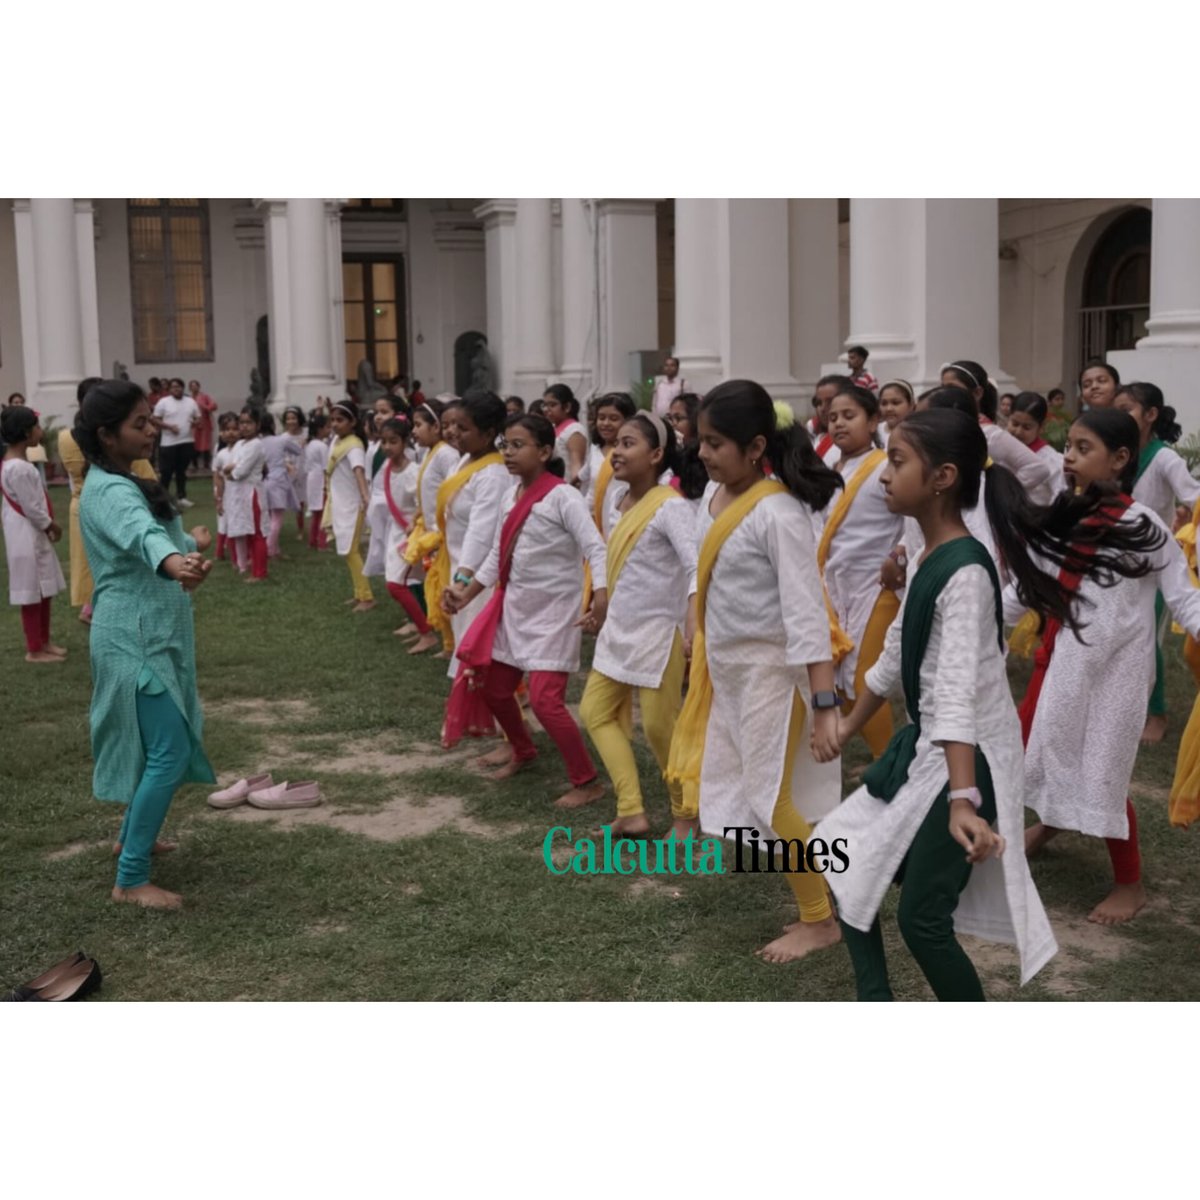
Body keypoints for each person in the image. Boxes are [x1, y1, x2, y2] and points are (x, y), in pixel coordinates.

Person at [814, 407, 1087, 999]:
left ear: (941, 478)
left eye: (897, 461)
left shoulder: (966, 574)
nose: (884, 475)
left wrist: (965, 801)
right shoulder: (928, 551)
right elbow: (895, 655)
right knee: (837, 858)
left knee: (921, 920)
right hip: (932, 748)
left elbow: (960, 693)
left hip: (966, 759)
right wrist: (848, 722)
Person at [667, 381, 844, 964]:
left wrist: (823, 707)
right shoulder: (711, 501)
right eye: (700, 441)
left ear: (756, 446)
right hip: (728, 672)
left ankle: (820, 920)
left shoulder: (779, 512)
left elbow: (806, 615)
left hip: (773, 673)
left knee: (772, 799)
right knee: (738, 782)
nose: (702, 454)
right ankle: (810, 884)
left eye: (716, 443)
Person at [1016, 408, 1200, 924]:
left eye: (1082, 448)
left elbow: (1183, 600)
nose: (1068, 458)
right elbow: (1032, 584)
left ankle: (1130, 884)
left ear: (1119, 459)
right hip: (1068, 666)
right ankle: (1052, 824)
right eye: (1068, 447)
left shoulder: (1146, 527)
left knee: (1105, 771)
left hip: (1119, 675)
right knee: (1052, 751)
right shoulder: (1066, 516)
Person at [75, 380, 216, 909]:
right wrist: (173, 561)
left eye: (151, 418)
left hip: (152, 633)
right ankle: (130, 878)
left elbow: (153, 536)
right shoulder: (109, 490)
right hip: (132, 639)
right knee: (168, 750)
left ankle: (135, 833)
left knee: (156, 743)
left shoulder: (127, 477)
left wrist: (189, 546)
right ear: (106, 435)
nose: (152, 429)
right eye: (140, 423)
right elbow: (139, 534)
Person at [443, 413, 608, 808]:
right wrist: (466, 593)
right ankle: (524, 749)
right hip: (514, 609)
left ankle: (587, 781)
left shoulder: (562, 496)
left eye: (518, 445)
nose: (509, 452)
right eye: (506, 445)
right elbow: (499, 554)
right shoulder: (509, 495)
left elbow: (596, 548)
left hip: (554, 615)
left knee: (547, 702)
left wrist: (600, 597)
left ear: (546, 451)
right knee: (497, 690)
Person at [581, 410, 696, 836]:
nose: (616, 452)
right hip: (619, 632)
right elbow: (622, 566)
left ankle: (686, 812)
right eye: (616, 444)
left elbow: (696, 567)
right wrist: (602, 607)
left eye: (628, 443)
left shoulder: (671, 508)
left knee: (660, 726)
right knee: (594, 712)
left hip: (657, 634)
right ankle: (631, 809)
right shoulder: (618, 501)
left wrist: (692, 621)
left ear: (657, 454)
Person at [819, 384, 904, 758]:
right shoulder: (827, 468)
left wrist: (899, 553)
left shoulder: (887, 466)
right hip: (835, 586)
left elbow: (914, 518)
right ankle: (879, 760)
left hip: (876, 586)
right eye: (833, 416)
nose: (838, 423)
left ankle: (889, 766)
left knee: (863, 679)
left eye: (849, 416)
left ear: (873, 421)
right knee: (842, 683)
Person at [1114, 381, 1200, 744]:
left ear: (1150, 415)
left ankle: (1158, 713)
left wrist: (1185, 529)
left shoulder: (1165, 458)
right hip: (1117, 561)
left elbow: (1194, 497)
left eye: (1127, 410)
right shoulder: (1118, 453)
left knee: (1148, 638)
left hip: (1156, 561)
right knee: (1122, 635)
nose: (1119, 417)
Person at [437, 391, 509, 685]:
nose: (454, 433)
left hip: (479, 575)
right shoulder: (465, 460)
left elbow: (482, 532)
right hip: (458, 564)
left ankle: (487, 709)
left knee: (477, 645)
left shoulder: (492, 473)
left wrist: (464, 580)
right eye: (453, 426)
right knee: (468, 640)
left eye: (464, 428)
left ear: (489, 433)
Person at [1, 405, 66, 663]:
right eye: (37, 427)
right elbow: (33, 507)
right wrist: (51, 525)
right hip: (27, 533)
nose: (41, 431)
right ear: (27, 433)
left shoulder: (12, 465)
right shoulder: (20, 468)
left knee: (42, 589)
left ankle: (44, 641)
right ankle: (34, 648)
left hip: (25, 532)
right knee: (31, 591)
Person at [940, 360, 1056, 503]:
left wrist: (999, 494)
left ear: (977, 393)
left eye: (952, 388)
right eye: (942, 387)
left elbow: (1037, 468)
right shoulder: (955, 425)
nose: (945, 394)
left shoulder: (990, 433)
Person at [401, 399, 461, 656]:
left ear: (434, 427)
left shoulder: (446, 454)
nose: (414, 431)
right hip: (429, 531)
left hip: (441, 534)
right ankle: (447, 642)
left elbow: (454, 489)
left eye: (418, 425)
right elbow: (428, 492)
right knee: (432, 585)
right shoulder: (432, 453)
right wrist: (417, 517)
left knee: (441, 586)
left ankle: (452, 644)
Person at [322, 400, 374, 611]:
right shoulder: (337, 441)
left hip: (354, 505)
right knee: (348, 551)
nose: (335, 424)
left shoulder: (354, 446)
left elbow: (359, 472)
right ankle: (359, 593)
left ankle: (367, 597)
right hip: (340, 503)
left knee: (351, 551)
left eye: (340, 420)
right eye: (332, 420)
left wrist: (365, 498)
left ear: (353, 422)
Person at [222, 407, 269, 582]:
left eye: (249, 422)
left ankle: (260, 572)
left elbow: (240, 471)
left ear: (257, 425)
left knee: (257, 533)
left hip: (252, 494)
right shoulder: (241, 444)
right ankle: (252, 567)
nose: (244, 427)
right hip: (240, 495)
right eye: (242, 422)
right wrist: (232, 468)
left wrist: (231, 470)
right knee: (247, 531)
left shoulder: (256, 444)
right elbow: (231, 463)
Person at [580, 392, 636, 519]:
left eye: (614, 419)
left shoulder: (634, 453)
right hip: (596, 522)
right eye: (601, 418)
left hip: (624, 517)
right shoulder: (594, 451)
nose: (605, 423)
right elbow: (589, 489)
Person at [260, 412, 303, 559]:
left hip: (263, 481)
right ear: (272, 425)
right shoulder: (280, 440)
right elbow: (298, 451)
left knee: (270, 516)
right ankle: (269, 550)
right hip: (278, 481)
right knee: (277, 518)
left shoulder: (257, 443)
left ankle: (275, 549)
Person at [1006, 392, 1066, 493]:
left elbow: (1060, 498)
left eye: (1027, 427)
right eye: (1015, 424)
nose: (1018, 432)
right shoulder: (997, 449)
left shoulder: (1052, 462)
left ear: (1041, 427)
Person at [153, 378, 199, 507]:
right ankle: (163, 498)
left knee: (181, 471)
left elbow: (198, 418)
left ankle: (181, 496)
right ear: (169, 389)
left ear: (183, 388)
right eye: (173, 387)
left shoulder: (190, 402)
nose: (176, 389)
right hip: (168, 443)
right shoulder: (164, 402)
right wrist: (169, 427)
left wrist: (196, 422)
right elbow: (154, 419)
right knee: (166, 471)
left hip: (187, 441)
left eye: (179, 386)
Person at [541, 384, 589, 487]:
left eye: (552, 405)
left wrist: (572, 489)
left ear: (567, 407)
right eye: (545, 405)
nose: (547, 409)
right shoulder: (552, 427)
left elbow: (576, 465)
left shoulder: (574, 430)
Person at [211, 412, 240, 561]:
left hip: (240, 493)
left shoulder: (243, 449)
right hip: (225, 493)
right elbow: (217, 475)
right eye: (226, 429)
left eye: (235, 429)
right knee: (223, 521)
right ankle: (220, 552)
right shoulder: (221, 452)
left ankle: (238, 556)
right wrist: (219, 497)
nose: (230, 432)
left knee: (237, 523)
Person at [808, 374, 851, 467]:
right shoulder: (813, 435)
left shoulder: (853, 443)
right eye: (818, 402)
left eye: (830, 401)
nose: (822, 408)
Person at [304, 409, 331, 550]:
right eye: (327, 427)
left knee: (315, 513)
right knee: (323, 514)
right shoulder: (322, 446)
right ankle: (322, 542)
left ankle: (312, 540)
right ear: (320, 429)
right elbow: (326, 467)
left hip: (311, 479)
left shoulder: (310, 444)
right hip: (320, 480)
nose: (330, 429)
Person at [187, 380, 218, 472]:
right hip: (193, 425)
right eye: (192, 386)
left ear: (199, 387)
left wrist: (205, 407)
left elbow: (214, 406)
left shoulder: (205, 397)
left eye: (195, 385)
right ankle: (194, 465)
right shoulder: (188, 399)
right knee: (193, 445)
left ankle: (206, 465)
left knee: (205, 445)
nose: (194, 387)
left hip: (205, 425)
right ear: (190, 388)